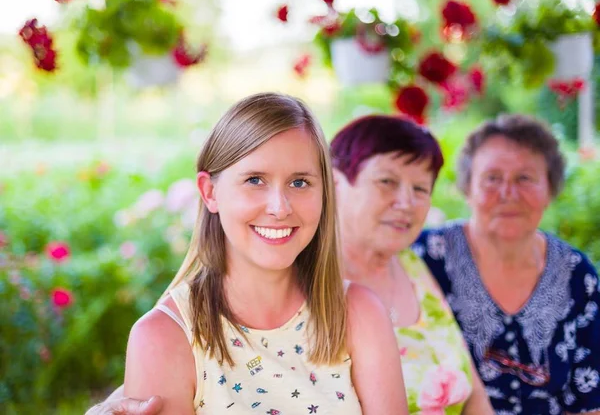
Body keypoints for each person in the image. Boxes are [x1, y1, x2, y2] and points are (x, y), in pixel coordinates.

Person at [117, 93, 408, 414]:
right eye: (255, 180)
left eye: (299, 182)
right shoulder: (164, 339)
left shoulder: (359, 314)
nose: (280, 208)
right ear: (210, 192)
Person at [413, 114, 600, 414]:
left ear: (550, 188)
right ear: (467, 187)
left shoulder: (576, 274)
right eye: (492, 178)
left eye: (525, 178)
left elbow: (591, 402)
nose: (508, 194)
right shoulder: (423, 258)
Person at [330, 115, 493, 414]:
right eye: (387, 182)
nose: (406, 202)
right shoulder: (302, 283)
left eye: (420, 189)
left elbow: (473, 394)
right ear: (334, 183)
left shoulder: (412, 264)